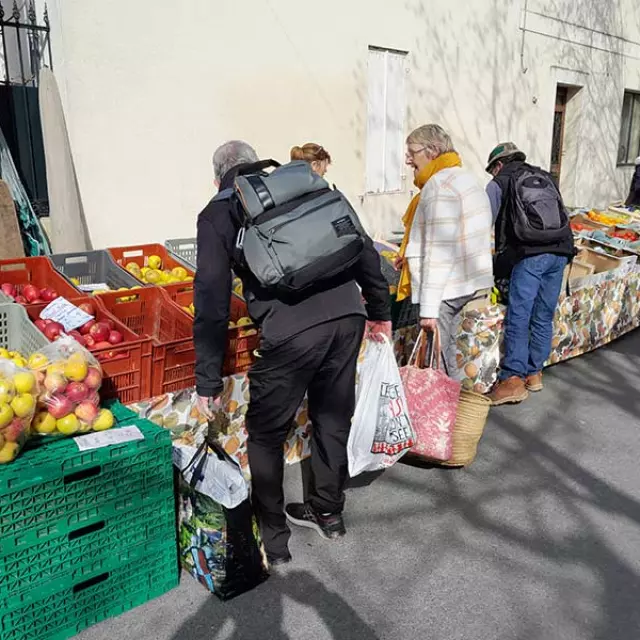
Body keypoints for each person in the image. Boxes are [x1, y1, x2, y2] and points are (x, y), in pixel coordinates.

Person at [194, 140, 392, 566]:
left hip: (290, 333)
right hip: (347, 317)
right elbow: (361, 245)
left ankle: (276, 541)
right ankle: (328, 511)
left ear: (217, 179)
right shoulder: (301, 185)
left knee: (265, 433)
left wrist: (207, 380)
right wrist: (379, 310)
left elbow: (210, 299)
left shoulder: (218, 213)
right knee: (333, 417)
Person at [398, 124, 493, 378]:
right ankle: (451, 408)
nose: (408, 159)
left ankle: (442, 413)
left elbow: (440, 251)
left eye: (412, 152)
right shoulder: (466, 179)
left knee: (436, 361)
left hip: (444, 287)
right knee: (446, 349)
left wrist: (428, 309)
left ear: (432, 151)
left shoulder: (439, 186)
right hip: (464, 281)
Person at [485, 142, 575, 404]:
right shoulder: (544, 175)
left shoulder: (499, 182)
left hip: (530, 254)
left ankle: (512, 379)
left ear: (498, 165)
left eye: (492, 170)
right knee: (543, 313)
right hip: (561, 250)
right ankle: (534, 373)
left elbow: (482, 223)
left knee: (519, 315)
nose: (492, 175)